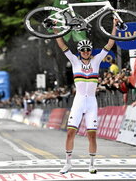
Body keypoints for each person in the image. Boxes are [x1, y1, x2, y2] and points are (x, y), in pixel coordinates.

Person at [54, 19, 118, 174]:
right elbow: (62, 45)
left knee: (92, 135)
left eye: (88, 50)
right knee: (70, 133)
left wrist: (114, 25)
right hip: (79, 102)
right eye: (83, 51)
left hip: (91, 103)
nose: (86, 52)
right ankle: (68, 163)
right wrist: (56, 30)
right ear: (80, 52)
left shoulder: (96, 60)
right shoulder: (75, 61)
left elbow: (110, 44)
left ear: (91, 51)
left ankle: (92, 164)